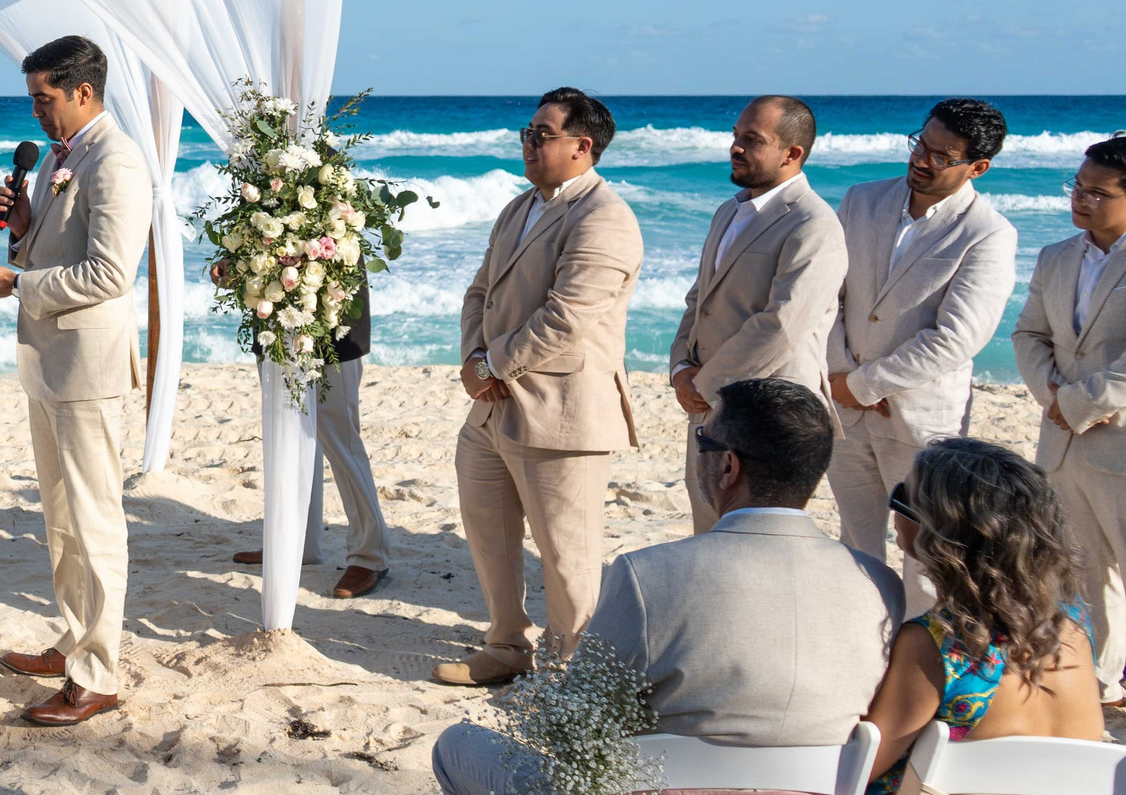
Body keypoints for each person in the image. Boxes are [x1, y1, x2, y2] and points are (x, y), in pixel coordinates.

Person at [435, 377, 903, 795]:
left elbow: (575, 738)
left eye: (705, 441)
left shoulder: (649, 576)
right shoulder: (878, 587)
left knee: (458, 752)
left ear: (728, 466)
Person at [0, 37, 154, 728]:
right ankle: (76, 641)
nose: (38, 114)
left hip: (91, 366)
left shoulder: (118, 160)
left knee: (96, 521)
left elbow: (110, 275)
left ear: (82, 91)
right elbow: (45, 248)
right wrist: (18, 230)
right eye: (33, 101)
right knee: (61, 520)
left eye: (45, 99)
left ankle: (98, 674)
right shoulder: (57, 158)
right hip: (49, 359)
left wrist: (18, 282)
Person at [849, 439, 1117, 795]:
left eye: (905, 495)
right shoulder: (1074, 628)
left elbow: (862, 768)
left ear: (937, 530)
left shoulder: (937, 644)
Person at [434, 90, 644, 688]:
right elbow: (480, 292)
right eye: (528, 131)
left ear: (583, 147)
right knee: (488, 529)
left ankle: (572, 672)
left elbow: (568, 315)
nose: (529, 142)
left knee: (567, 556)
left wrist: (495, 364)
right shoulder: (517, 207)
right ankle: (505, 644)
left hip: (562, 410)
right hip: (491, 406)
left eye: (543, 134)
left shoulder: (606, 216)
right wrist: (475, 360)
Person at [825, 100, 1017, 565]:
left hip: (920, 419)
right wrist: (839, 373)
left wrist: (864, 385)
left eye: (940, 156)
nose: (920, 160)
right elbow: (828, 293)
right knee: (855, 543)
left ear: (978, 167)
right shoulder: (861, 199)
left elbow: (956, 337)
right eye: (920, 145)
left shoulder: (988, 234)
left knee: (928, 554)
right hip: (840, 405)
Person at [668, 96, 846, 531]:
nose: (736, 147)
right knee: (707, 525)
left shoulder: (813, 224)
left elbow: (782, 325)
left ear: (793, 153)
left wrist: (706, 386)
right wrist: (679, 367)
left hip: (771, 414)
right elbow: (699, 300)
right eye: (735, 137)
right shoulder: (728, 211)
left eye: (753, 140)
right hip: (710, 405)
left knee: (752, 537)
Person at [1012, 132, 1126, 704]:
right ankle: (1102, 687)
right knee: (1081, 572)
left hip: (1119, 441)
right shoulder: (1055, 256)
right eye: (1077, 187)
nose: (1081, 199)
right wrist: (1050, 395)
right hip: (1060, 441)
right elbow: (1028, 332)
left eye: (1098, 193)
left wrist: (1080, 403)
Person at [230, 282, 393, 597]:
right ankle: (296, 543)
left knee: (338, 435)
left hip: (334, 321)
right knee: (286, 428)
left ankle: (369, 554)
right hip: (277, 321)